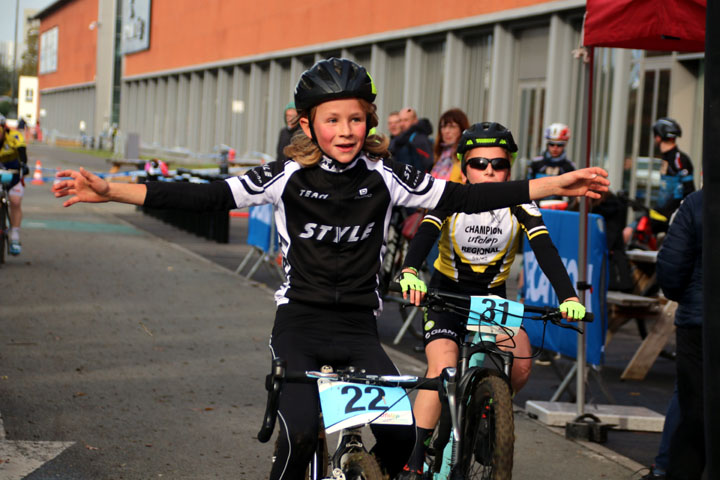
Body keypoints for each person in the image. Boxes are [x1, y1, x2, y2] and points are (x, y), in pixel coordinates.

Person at [52, 58, 609, 480]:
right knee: (296, 439)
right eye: (331, 119)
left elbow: (466, 196)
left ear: (368, 121)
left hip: (358, 330)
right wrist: (111, 190)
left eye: (355, 118)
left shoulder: (390, 175)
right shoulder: (285, 175)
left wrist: (557, 183)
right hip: (300, 325)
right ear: (308, 122)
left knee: (400, 440)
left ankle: (355, 465)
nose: (344, 130)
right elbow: (205, 197)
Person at [396, 122, 587, 479]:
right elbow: (424, 234)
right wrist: (409, 270)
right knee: (443, 369)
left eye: (498, 165)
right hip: (446, 298)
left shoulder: (521, 204)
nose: (488, 171)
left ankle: (486, 411)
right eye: (479, 163)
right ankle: (416, 455)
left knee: (521, 363)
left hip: (490, 301)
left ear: (509, 168)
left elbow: (545, 251)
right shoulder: (451, 196)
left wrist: (568, 295)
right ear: (465, 166)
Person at [654, 189, 704, 480]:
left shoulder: (696, 202)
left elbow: (671, 269)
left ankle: (664, 467)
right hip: (698, 315)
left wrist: (683, 296)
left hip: (699, 321)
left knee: (691, 402)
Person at [651, 118, 695, 226]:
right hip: (660, 213)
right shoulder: (666, 158)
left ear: (658, 137)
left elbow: (688, 191)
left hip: (672, 218)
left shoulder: (680, 160)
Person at [0, 114, 29, 255]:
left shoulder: (14, 136)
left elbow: (22, 151)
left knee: (15, 201)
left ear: (4, 128)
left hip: (13, 172)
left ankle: (15, 236)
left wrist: (24, 164)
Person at [528, 122, 576, 192]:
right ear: (547, 144)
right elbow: (528, 185)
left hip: (561, 202)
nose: (555, 148)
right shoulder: (535, 163)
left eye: (559, 145)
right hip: (537, 201)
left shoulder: (570, 167)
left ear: (565, 145)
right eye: (552, 144)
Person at [390, 107, 434, 173]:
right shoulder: (401, 138)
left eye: (406, 120)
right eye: (400, 120)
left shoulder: (419, 139)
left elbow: (429, 164)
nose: (402, 124)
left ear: (415, 120)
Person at [430, 108, 469, 182]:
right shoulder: (439, 155)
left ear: (462, 129)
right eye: (443, 127)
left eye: (452, 126)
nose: (446, 131)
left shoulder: (467, 156)